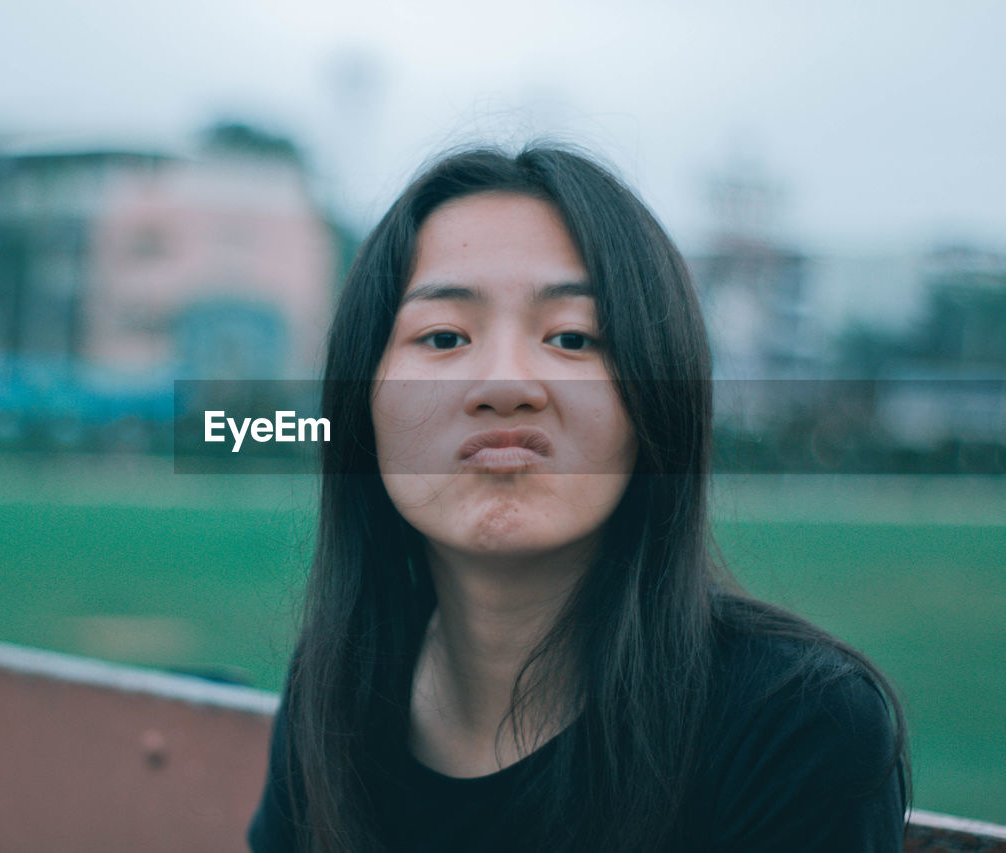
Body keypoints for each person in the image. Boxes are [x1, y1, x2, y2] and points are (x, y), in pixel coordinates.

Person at [247, 146, 907, 852]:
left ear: (656, 402)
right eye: (443, 337)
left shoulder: (796, 723)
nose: (505, 384)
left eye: (571, 337)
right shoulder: (342, 681)